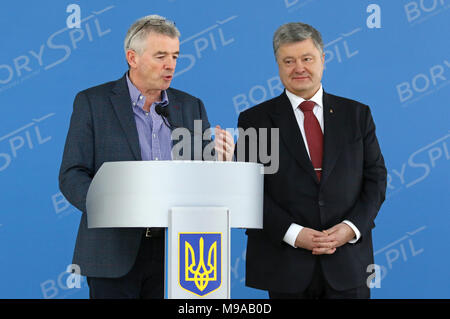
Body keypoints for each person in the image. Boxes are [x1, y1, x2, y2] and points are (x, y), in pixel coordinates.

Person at [58, 15, 234, 299]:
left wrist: (224, 166)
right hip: (113, 250)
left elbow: (204, 178)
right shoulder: (93, 102)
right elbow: (71, 174)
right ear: (133, 57)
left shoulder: (190, 106)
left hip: (179, 253)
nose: (171, 65)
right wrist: (110, 207)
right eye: (161, 55)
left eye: (175, 56)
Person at [237, 22, 387, 299]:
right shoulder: (255, 121)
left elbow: (375, 178)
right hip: (286, 266)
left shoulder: (356, 115)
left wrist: (350, 228)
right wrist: (292, 233)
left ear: (323, 60)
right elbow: (248, 190)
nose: (299, 68)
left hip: (349, 264)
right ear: (278, 65)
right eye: (289, 61)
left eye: (307, 58)